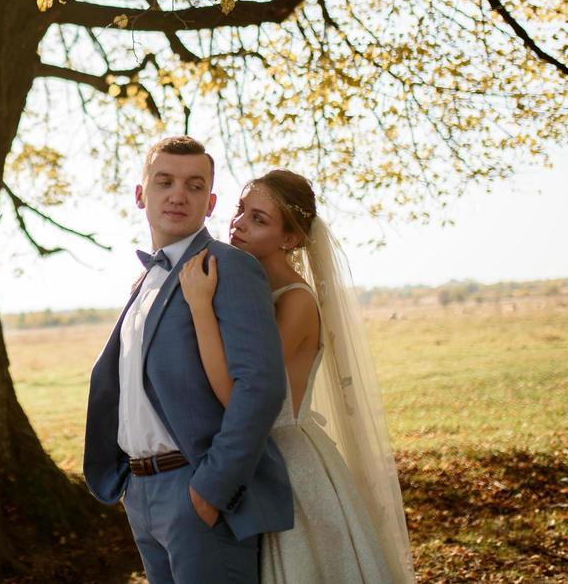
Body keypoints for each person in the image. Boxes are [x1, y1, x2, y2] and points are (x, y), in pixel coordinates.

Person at [178, 169, 416, 583]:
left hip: (289, 464)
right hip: (249, 453)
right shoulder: (242, 292)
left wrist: (200, 309)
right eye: (240, 211)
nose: (238, 224)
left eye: (259, 219)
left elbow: (241, 395)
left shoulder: (296, 302)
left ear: (290, 239)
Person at [84, 136, 293, 584]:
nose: (178, 195)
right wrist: (130, 485)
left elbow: (260, 386)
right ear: (142, 195)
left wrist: (213, 489)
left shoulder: (229, 267)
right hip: (140, 492)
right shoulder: (145, 279)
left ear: (211, 201)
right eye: (165, 182)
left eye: (194, 186)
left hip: (195, 490)